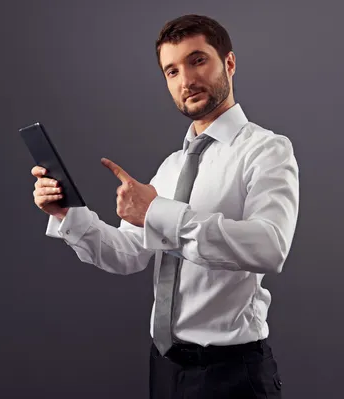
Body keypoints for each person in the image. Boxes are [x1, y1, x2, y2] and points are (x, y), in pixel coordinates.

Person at [30, 14, 299, 399]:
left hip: (232, 374)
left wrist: (156, 212)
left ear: (229, 63)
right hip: (166, 369)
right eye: (171, 71)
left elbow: (269, 247)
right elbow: (129, 255)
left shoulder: (266, 150)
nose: (186, 80)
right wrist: (67, 213)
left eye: (197, 60)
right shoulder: (172, 167)